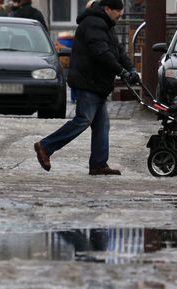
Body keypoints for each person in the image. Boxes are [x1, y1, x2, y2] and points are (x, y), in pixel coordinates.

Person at [33, 0, 139, 175]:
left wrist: (131, 69)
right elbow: (101, 53)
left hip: (98, 83)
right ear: (106, 9)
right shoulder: (93, 24)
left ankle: (99, 163)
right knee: (83, 120)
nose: (121, 14)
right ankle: (45, 146)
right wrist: (122, 71)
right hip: (88, 81)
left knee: (101, 125)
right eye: (117, 10)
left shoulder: (106, 24)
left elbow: (118, 52)